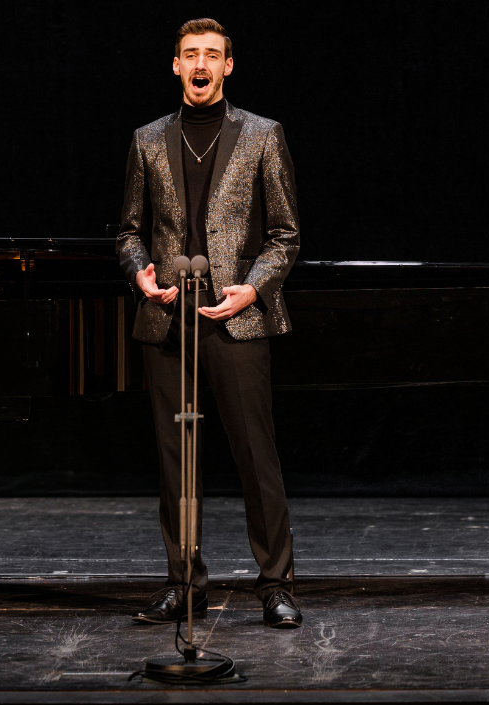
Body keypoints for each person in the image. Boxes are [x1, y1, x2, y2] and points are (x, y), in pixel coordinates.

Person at [117, 19, 302, 628]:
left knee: (256, 455)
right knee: (176, 461)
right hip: (167, 320)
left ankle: (275, 584)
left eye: (212, 55)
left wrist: (254, 288)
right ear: (176, 66)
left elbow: (285, 236)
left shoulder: (262, 135)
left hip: (237, 319)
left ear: (228, 66)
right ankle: (184, 583)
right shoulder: (148, 140)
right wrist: (140, 271)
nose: (200, 64)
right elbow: (128, 232)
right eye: (190, 55)